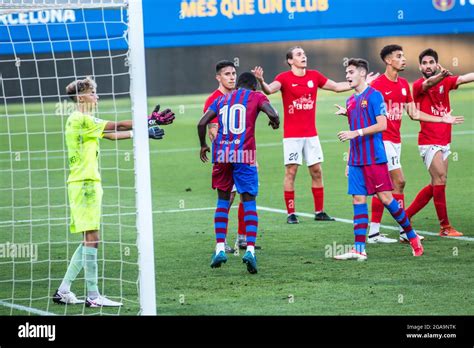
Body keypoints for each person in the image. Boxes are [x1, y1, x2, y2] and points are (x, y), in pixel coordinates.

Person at [52, 76, 174, 306]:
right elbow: (116, 126)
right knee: (93, 238)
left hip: (83, 183)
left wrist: (144, 131)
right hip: (85, 184)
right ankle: (93, 296)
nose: (97, 96)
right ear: (81, 97)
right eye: (93, 92)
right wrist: (148, 120)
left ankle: (64, 290)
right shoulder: (81, 119)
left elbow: (110, 135)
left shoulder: (83, 120)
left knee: (89, 238)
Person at [253, 46, 378, 224]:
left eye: (304, 53)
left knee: (317, 171)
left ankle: (319, 211)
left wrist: (362, 83)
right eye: (298, 54)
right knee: (291, 171)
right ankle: (291, 213)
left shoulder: (314, 76)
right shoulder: (284, 78)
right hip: (292, 136)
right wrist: (261, 81)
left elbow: (336, 86)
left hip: (311, 135)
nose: (303, 56)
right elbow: (269, 90)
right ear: (290, 61)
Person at [365, 45, 463, 243]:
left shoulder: (403, 85)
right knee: (399, 182)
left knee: (386, 185)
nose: (403, 59)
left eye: (403, 56)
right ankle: (403, 231)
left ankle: (375, 233)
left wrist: (442, 119)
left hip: (395, 140)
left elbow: (414, 113)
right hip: (381, 140)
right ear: (388, 61)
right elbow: (363, 106)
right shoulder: (376, 84)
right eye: (399, 56)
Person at [333, 59, 423, 261]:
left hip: (374, 157)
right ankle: (359, 249)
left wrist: (355, 132)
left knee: (386, 199)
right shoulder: (350, 101)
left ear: (362, 74)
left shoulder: (375, 96)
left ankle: (411, 236)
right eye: (346, 72)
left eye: (351, 72)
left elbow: (382, 125)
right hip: (357, 159)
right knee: (358, 200)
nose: (347, 76)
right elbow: (352, 135)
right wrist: (349, 161)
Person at [197, 72, 280, 274]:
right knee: (248, 201)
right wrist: (275, 122)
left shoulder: (222, 99)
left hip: (222, 153)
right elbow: (273, 113)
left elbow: (201, 123)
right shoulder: (257, 96)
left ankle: (219, 248)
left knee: (223, 202)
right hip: (245, 154)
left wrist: (203, 146)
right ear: (253, 86)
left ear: (238, 85)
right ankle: (250, 250)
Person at [405, 48, 473, 237]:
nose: (427, 66)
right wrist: (441, 76)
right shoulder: (418, 85)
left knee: (438, 183)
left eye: (431, 62)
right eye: (424, 63)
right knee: (440, 178)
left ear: (436, 64)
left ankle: (406, 216)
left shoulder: (446, 82)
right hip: (428, 141)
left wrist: (445, 77)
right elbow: (428, 83)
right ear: (420, 66)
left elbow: (464, 78)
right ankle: (445, 227)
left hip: (444, 140)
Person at [203, 60, 245, 253]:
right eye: (227, 74)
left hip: (244, 154)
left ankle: (243, 238)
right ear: (218, 77)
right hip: (225, 155)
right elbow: (212, 130)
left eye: (234, 73)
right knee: (227, 197)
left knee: (245, 193)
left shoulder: (239, 97)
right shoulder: (214, 99)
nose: (232, 77)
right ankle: (222, 241)